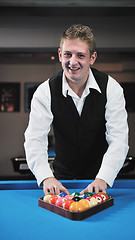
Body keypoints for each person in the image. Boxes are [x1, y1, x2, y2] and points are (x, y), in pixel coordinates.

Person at [24, 24, 129, 196]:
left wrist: (103, 178)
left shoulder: (112, 88)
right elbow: (34, 139)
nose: (73, 62)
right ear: (60, 55)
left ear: (92, 58)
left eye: (80, 55)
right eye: (67, 54)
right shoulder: (45, 92)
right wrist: (46, 177)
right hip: (62, 181)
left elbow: (119, 140)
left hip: (101, 179)